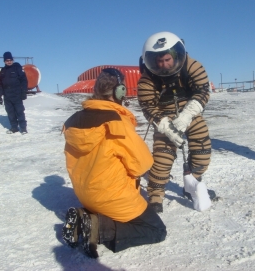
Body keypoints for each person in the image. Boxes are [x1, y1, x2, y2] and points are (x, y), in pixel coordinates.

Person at [62, 68, 166, 259]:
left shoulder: (73, 121)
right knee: (156, 230)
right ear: (120, 91)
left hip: (84, 194)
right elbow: (141, 165)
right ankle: (97, 228)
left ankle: (84, 217)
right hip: (111, 197)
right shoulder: (116, 121)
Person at [137, 32, 212, 213]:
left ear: (176, 55)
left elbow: (202, 91)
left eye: (167, 59)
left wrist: (187, 116)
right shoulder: (147, 78)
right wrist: (166, 127)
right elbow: (148, 106)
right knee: (163, 157)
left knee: (202, 149)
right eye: (159, 61)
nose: (163, 65)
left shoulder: (192, 66)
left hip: (190, 112)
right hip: (163, 116)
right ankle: (155, 196)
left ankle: (192, 183)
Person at [0, 52, 28, 134]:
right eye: (7, 60)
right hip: (7, 95)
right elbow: (0, 84)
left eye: (10, 60)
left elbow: (24, 80)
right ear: (4, 61)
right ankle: (14, 128)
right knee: (10, 112)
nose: (9, 61)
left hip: (16, 94)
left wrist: (24, 91)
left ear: (12, 60)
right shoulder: (2, 71)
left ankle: (23, 128)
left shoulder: (17, 68)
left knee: (19, 111)